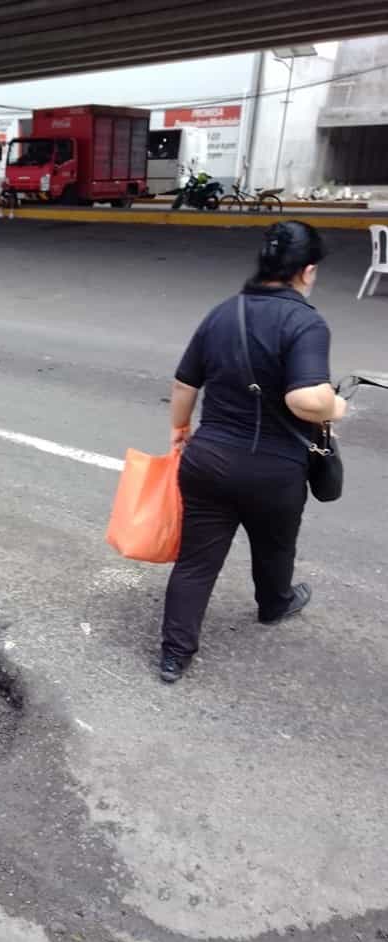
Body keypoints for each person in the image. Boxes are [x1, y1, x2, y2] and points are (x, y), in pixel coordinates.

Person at [159, 221, 347, 684]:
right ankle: (274, 604)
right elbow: (306, 399)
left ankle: (173, 655)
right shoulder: (305, 321)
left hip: (208, 460)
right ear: (306, 271)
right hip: (274, 469)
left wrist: (180, 430)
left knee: (197, 560)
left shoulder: (225, 312)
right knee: (275, 544)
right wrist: (336, 404)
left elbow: (185, 382)